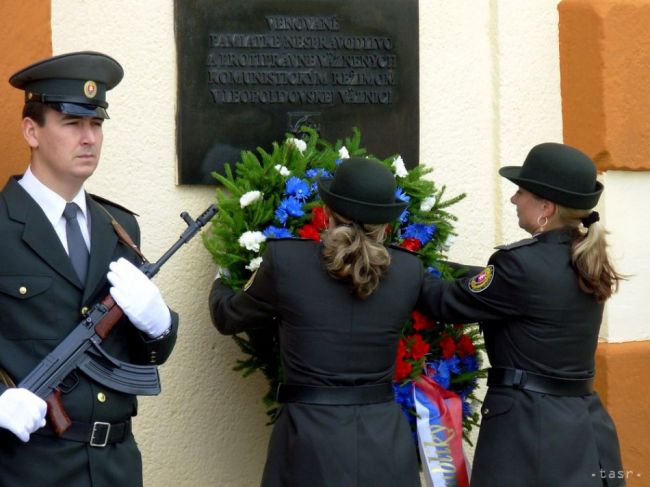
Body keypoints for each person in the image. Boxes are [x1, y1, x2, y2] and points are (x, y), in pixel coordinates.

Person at [0, 51, 178, 486]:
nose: (89, 138)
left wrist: (159, 327)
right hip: (28, 466)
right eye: (72, 123)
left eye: (96, 124)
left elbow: (137, 355)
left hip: (116, 465)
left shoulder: (120, 229)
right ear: (31, 130)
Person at [417, 142, 625, 487]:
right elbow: (500, 287)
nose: (514, 199)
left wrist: (398, 267)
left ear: (546, 207)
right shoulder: (585, 256)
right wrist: (444, 267)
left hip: (529, 433)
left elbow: (443, 302)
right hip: (583, 427)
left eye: (521, 191)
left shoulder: (519, 266)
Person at [210, 157, 422, 487]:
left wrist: (223, 273)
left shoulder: (287, 262)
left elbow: (228, 316)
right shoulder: (409, 271)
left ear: (326, 212)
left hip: (308, 442)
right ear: (386, 224)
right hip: (385, 443)